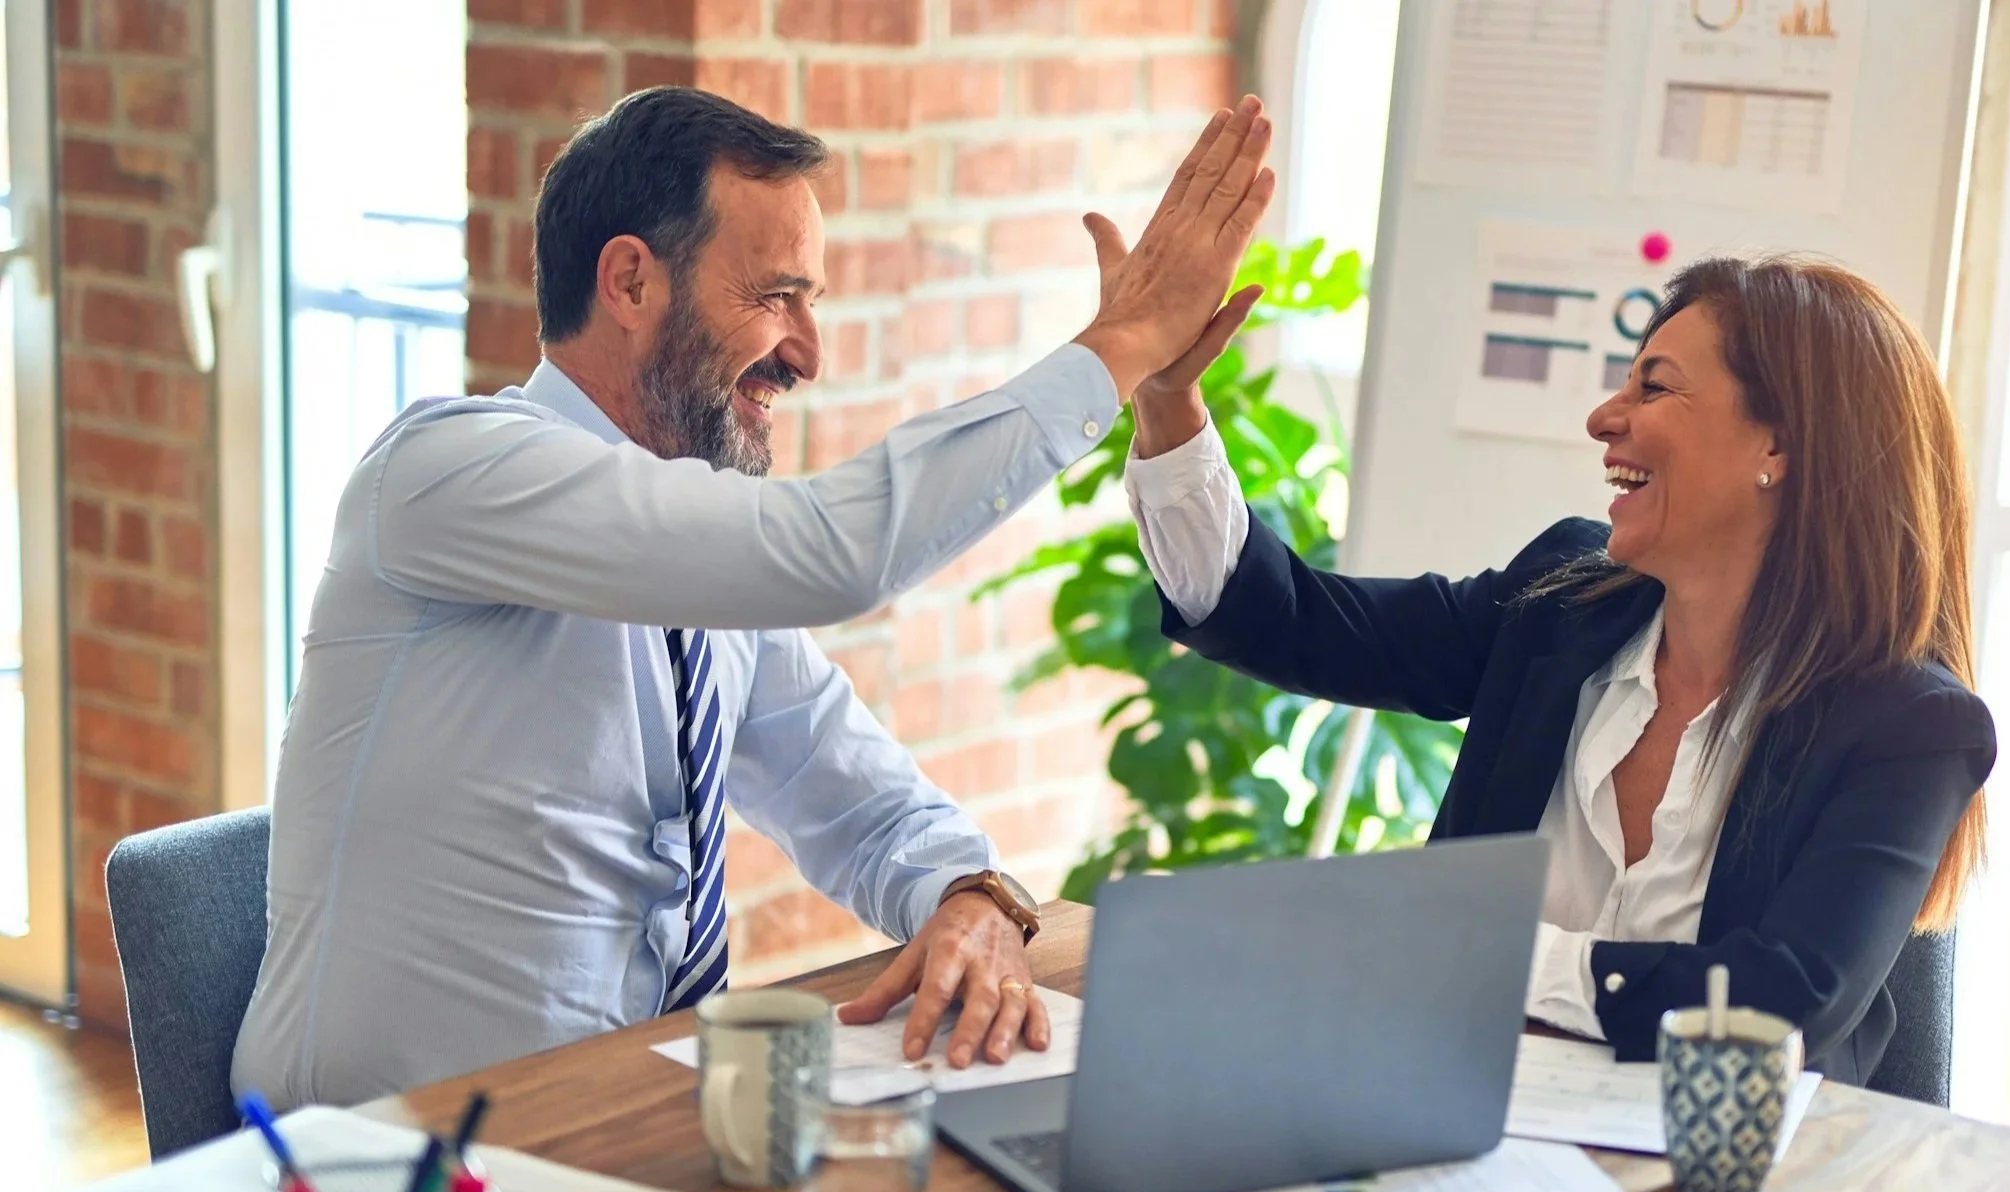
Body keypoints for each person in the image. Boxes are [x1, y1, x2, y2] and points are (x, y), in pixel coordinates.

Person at [232, 86, 1277, 1108]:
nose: (807, 353)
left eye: (810, 302)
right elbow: (834, 552)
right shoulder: (448, 471)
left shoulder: (698, 570)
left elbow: (860, 800)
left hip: (616, 1130)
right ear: (632, 283)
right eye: (777, 295)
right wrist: (1123, 345)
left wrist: (972, 896)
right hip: (379, 1173)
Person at [1123, 254, 1994, 1084]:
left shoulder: (1909, 727)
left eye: (1653, 386)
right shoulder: (1561, 606)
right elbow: (1291, 620)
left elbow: (1778, 1008)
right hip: (1461, 1126)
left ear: (1779, 446)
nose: (1604, 418)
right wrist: (1168, 400)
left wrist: (1483, 952)